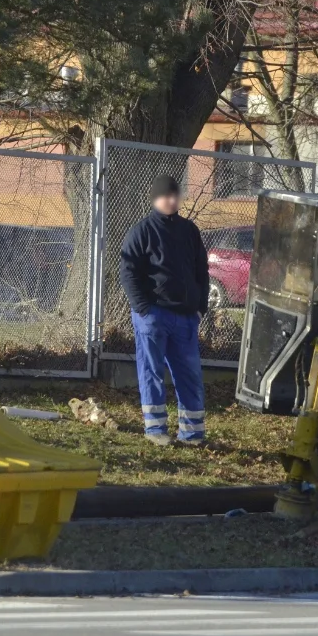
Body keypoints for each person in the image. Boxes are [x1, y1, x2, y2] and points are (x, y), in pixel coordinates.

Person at [119, 175, 208, 447]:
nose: (170, 200)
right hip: (153, 315)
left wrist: (200, 307)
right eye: (164, 196)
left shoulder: (190, 231)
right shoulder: (141, 231)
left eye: (174, 195)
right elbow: (128, 271)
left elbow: (201, 270)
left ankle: (192, 434)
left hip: (186, 317)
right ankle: (156, 430)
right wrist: (143, 309)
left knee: (189, 375)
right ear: (155, 199)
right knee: (151, 372)